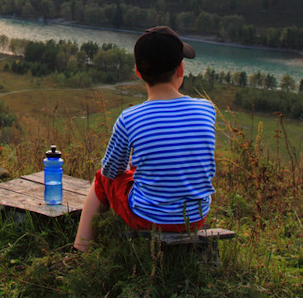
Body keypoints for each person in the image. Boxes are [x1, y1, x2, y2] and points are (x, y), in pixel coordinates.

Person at [73, 26, 216, 251]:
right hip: (195, 217)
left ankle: (80, 249)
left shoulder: (130, 118)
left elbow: (111, 171)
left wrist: (132, 169)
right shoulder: (206, 109)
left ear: (138, 72)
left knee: (101, 178)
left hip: (149, 219)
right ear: (181, 69)